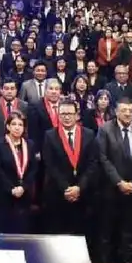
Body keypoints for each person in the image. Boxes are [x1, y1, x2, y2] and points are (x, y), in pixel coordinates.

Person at [97, 98, 132, 263]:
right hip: (110, 189)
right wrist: (119, 182)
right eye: (124, 110)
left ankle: (126, 261)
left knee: (129, 229)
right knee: (107, 230)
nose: (128, 113)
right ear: (115, 111)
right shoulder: (105, 129)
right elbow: (103, 158)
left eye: (131, 110)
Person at [42, 99, 97, 237]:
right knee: (58, 233)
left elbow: (93, 163)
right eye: (63, 114)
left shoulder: (89, 134)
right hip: (58, 192)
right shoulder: (50, 135)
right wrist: (66, 188)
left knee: (80, 233)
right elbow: (50, 164)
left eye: (70, 114)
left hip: (82, 192)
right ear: (58, 116)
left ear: (77, 115)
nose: (66, 117)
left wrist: (79, 187)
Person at [0, 110, 37, 233]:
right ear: (8, 126)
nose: (17, 128)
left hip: (24, 194)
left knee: (21, 231)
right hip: (4, 195)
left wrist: (23, 187)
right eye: (14, 124)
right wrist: (11, 189)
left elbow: (33, 169)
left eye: (20, 125)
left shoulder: (29, 144)